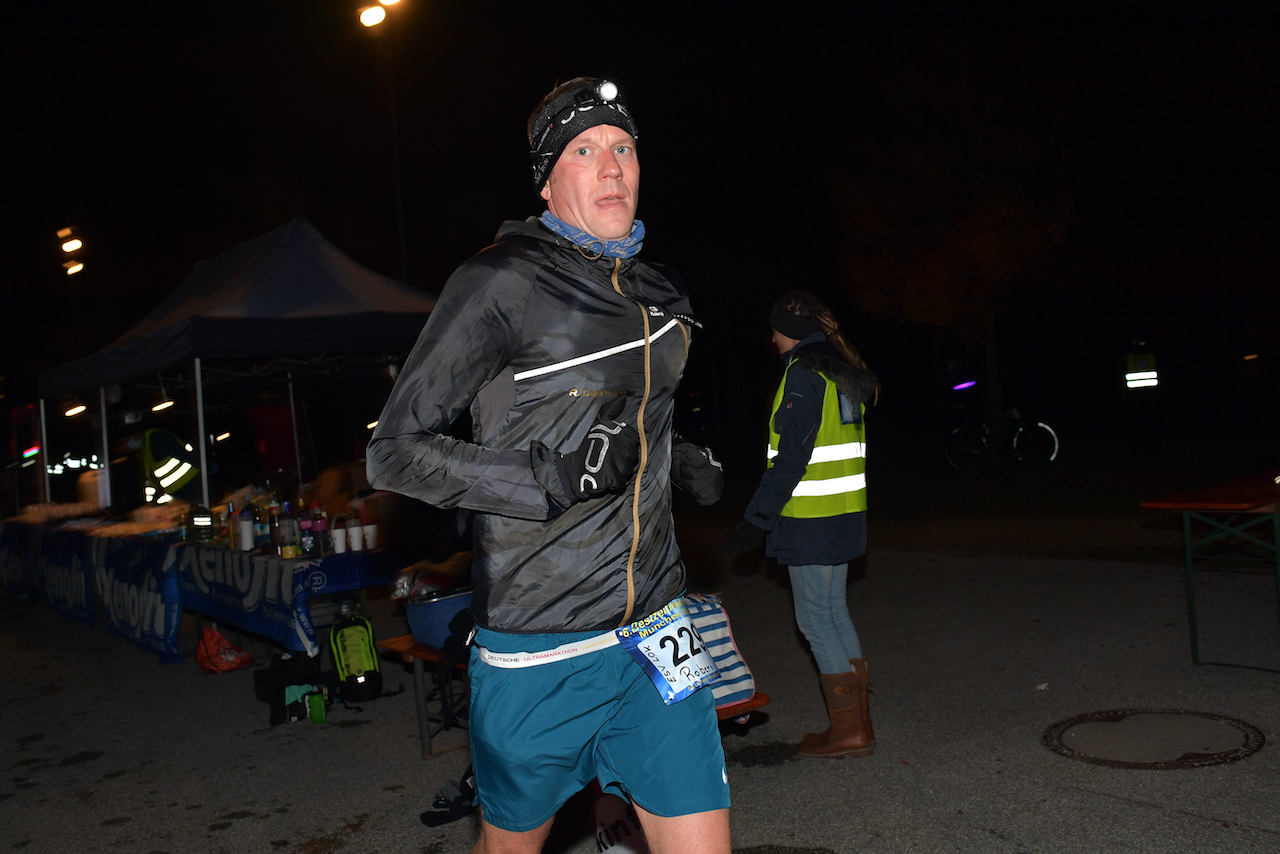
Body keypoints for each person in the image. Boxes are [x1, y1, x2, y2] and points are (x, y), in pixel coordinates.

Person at [366, 77, 729, 854]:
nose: (610, 167)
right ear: (547, 179)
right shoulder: (502, 281)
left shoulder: (663, 295)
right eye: (585, 149)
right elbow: (393, 450)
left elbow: (629, 426)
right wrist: (547, 477)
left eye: (624, 147)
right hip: (541, 644)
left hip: (657, 630)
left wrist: (675, 459)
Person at [726, 290, 879, 759]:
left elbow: (792, 457)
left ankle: (850, 731)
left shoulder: (803, 373)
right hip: (843, 513)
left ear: (789, 331)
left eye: (774, 330)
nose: (771, 339)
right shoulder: (840, 371)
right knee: (833, 613)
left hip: (810, 516)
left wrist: (756, 519)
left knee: (814, 619)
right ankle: (859, 725)